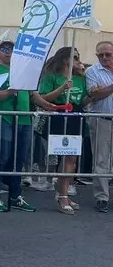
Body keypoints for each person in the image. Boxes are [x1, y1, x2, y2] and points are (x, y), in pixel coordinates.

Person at [0, 40, 54, 213]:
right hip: (4, 119)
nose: (8, 52)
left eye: (11, 49)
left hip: (24, 120)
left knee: (19, 159)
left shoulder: (24, 71)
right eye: (4, 49)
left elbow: (32, 93)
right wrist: (10, 91)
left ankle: (15, 196)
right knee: (0, 157)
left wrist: (46, 104)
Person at [39, 47, 90, 215]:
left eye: (78, 57)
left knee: (71, 158)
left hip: (75, 117)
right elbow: (43, 98)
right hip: (59, 116)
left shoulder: (80, 78)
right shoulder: (51, 76)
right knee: (62, 155)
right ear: (64, 59)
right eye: (74, 57)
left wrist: (92, 95)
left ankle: (64, 193)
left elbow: (82, 101)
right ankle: (61, 194)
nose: (78, 60)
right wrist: (62, 88)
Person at [86, 41, 113, 213]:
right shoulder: (92, 71)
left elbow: (101, 92)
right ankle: (102, 197)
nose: (104, 58)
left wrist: (105, 89)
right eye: (100, 55)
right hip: (101, 119)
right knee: (101, 160)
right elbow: (94, 95)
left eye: (108, 54)